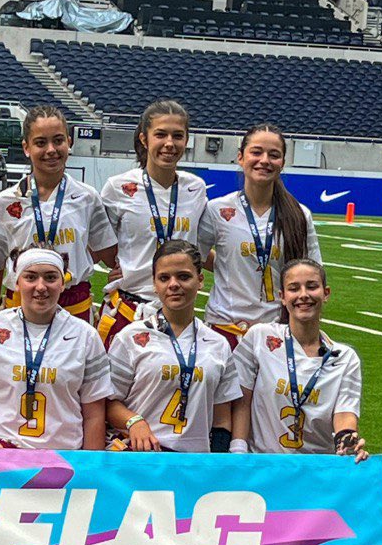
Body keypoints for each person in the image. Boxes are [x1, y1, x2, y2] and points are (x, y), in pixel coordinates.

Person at [0, 248, 113, 450]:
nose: (41, 287)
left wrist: (89, 464)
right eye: (30, 277)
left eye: (50, 277)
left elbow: (94, 414)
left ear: (62, 283)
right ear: (16, 282)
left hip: (61, 456)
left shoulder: (86, 336)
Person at [107, 240, 239, 453]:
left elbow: (222, 419)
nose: (174, 284)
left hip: (193, 463)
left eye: (183, 276)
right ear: (154, 284)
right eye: (164, 278)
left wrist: (215, 462)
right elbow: (108, 402)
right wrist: (134, 422)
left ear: (200, 281)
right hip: (142, 457)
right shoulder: (130, 337)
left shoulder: (218, 344)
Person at [97, 99, 207, 349]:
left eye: (177, 136)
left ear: (186, 140)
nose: (169, 143)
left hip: (178, 311)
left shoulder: (195, 188)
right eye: (161, 134)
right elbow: (99, 242)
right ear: (144, 139)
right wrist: (120, 264)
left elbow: (199, 245)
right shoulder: (118, 187)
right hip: (129, 309)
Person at [0, 105, 117, 321]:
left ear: (69, 142)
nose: (51, 149)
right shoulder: (6, 202)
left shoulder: (87, 197)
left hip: (73, 305)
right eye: (40, 143)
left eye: (58, 141)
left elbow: (108, 252)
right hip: (21, 304)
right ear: (26, 147)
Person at [232, 258, 367, 460]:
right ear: (282, 297)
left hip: (316, 467)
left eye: (311, 287)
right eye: (294, 288)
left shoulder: (345, 358)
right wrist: (238, 451)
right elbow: (241, 400)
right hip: (263, 464)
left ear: (326, 293)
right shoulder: (260, 337)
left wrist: (346, 440)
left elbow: (345, 413)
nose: (303, 295)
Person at [199, 123, 320, 350]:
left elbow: (313, 273)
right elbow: (194, 258)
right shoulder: (217, 210)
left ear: (282, 163)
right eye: (256, 152)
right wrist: (226, 265)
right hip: (224, 330)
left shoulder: (299, 214)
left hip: (276, 333)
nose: (264, 160)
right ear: (240, 157)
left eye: (274, 155)